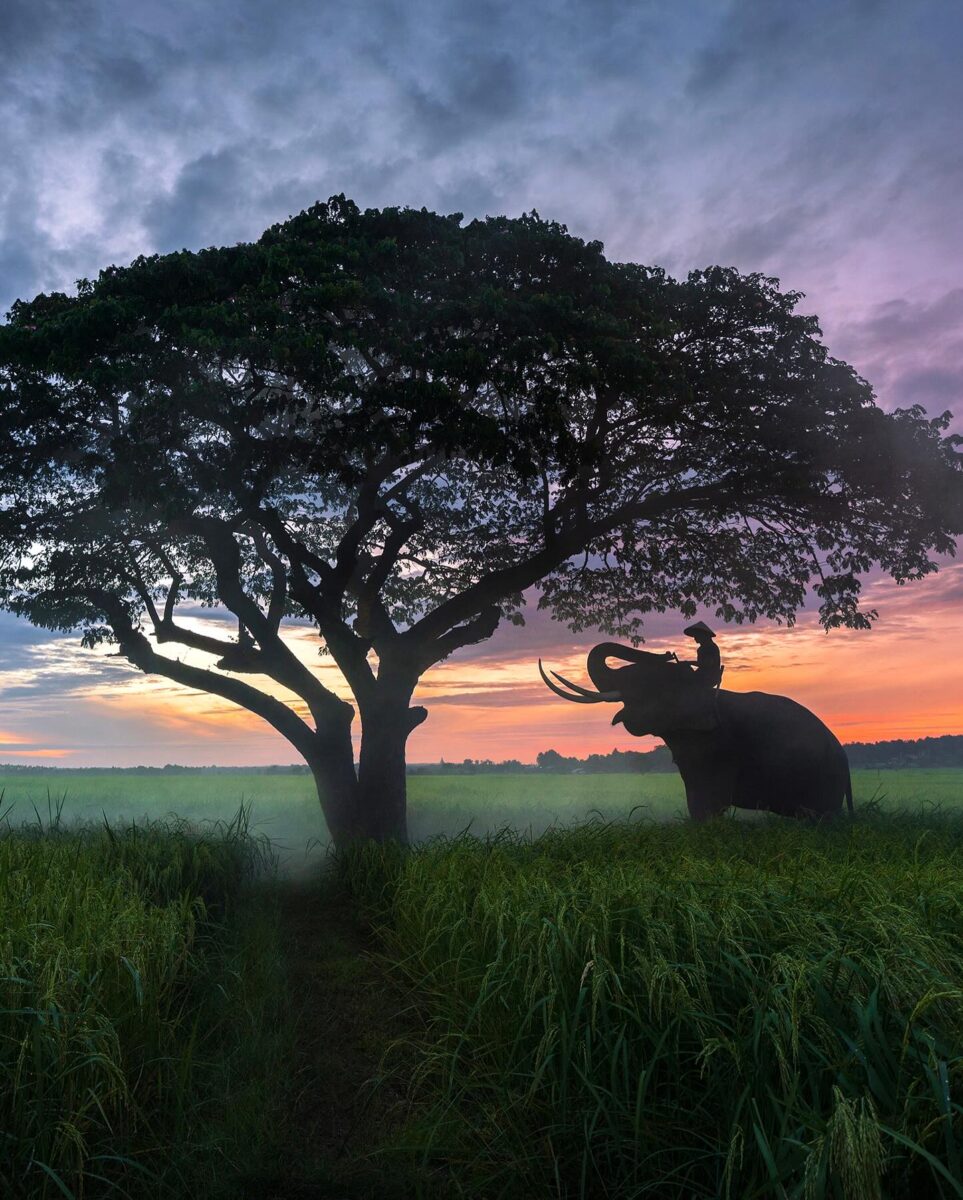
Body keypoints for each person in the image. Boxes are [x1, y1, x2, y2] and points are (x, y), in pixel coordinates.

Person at [681, 621, 723, 688]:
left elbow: (707, 664)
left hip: (710, 677)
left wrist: (689, 662)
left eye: (696, 635)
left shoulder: (711, 647)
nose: (694, 638)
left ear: (703, 635)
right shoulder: (701, 649)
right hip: (702, 675)